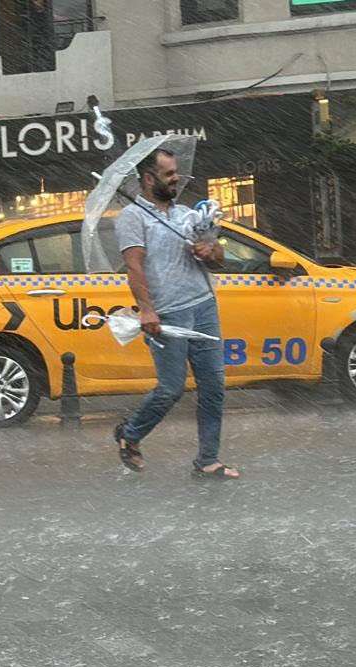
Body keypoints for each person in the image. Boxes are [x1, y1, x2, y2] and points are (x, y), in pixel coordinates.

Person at [113, 149, 236, 479]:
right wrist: (147, 310)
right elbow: (134, 265)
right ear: (149, 179)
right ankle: (131, 433)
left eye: (176, 172)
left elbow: (218, 259)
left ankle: (208, 459)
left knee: (214, 386)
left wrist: (209, 250)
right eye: (169, 174)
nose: (176, 178)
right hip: (167, 314)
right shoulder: (133, 218)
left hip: (203, 305)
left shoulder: (187, 215)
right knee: (171, 388)